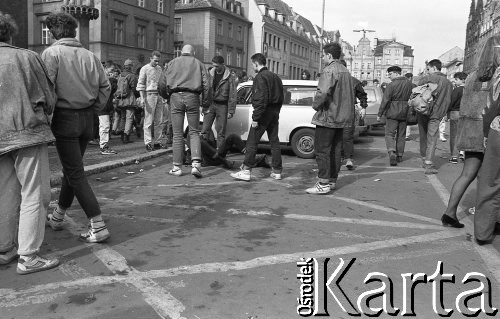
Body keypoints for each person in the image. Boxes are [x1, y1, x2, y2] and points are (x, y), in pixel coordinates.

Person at [42, 12, 111, 243]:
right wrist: (94, 109)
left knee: (75, 172)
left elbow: (47, 90)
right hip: (87, 118)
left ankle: (98, 224)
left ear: (54, 32)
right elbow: (106, 86)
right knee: (72, 171)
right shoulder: (90, 55)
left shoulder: (52, 53)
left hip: (65, 117)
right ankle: (58, 216)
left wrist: (49, 115)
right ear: (73, 31)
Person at [0, 12, 60, 274]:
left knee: (4, 194)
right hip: (26, 133)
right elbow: (48, 98)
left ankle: (5, 249)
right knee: (35, 193)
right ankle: (28, 256)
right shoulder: (26, 57)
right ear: (9, 33)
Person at [441, 35, 500, 228]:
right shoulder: (497, 76)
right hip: (489, 132)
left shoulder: (472, 76)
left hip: (471, 131)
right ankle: (490, 221)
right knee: (490, 179)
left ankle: (449, 213)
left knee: (467, 174)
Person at [306, 42, 354, 194]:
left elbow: (323, 92)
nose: (322, 58)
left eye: (323, 55)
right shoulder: (345, 71)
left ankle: (323, 183)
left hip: (328, 116)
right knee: (335, 150)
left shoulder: (329, 70)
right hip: (342, 117)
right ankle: (332, 181)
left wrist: (315, 105)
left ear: (329, 55)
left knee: (322, 150)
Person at [231, 53, 284, 181]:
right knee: (274, 142)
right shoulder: (276, 77)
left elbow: (260, 99)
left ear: (256, 63)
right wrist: (275, 111)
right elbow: (281, 96)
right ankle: (277, 171)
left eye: (252, 64)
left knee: (252, 142)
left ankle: (246, 170)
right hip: (274, 112)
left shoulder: (260, 77)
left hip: (263, 113)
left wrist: (256, 118)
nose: (252, 66)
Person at [163, 44, 210, 177]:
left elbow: (162, 82)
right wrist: (205, 103)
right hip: (193, 96)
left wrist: (167, 96)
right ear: (193, 53)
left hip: (175, 96)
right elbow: (207, 85)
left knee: (177, 134)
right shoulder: (199, 63)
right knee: (194, 131)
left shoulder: (172, 63)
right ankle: (196, 165)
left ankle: (177, 167)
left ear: (181, 52)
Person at [417, 59, 453, 174]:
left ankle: (423, 158)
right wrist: (443, 113)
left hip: (422, 111)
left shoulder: (425, 79)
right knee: (432, 138)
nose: (428, 71)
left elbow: (416, 94)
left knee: (423, 135)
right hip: (437, 114)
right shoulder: (448, 83)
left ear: (433, 68)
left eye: (428, 69)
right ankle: (428, 163)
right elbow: (448, 101)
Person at [377, 66, 413, 166]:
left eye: (390, 74)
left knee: (389, 134)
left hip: (392, 112)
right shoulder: (410, 84)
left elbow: (385, 100)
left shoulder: (391, 85)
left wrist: (380, 114)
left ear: (396, 73)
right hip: (405, 112)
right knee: (401, 135)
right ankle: (400, 155)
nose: (389, 76)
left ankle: (392, 152)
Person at [202, 56, 237, 158]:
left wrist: (231, 110)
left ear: (222, 64)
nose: (215, 68)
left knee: (221, 131)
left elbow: (233, 94)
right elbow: (205, 90)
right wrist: (203, 105)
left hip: (223, 105)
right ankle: (204, 152)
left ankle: (220, 154)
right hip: (211, 104)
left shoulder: (229, 76)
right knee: (205, 129)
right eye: (213, 66)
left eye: (217, 66)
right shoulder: (210, 74)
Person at [339, 59, 367, 170]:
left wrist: (363, 107)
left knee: (344, 136)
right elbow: (363, 95)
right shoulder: (354, 81)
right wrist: (363, 107)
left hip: (344, 111)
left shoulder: (351, 81)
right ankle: (346, 158)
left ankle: (346, 158)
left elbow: (362, 96)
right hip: (347, 111)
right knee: (346, 136)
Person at [137, 50, 164, 151]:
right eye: (155, 61)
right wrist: (142, 98)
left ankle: (158, 141)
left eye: (158, 61)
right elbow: (140, 84)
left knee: (159, 120)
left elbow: (161, 82)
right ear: (151, 58)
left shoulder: (159, 68)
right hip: (149, 95)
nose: (157, 63)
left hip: (159, 95)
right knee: (148, 121)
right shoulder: (144, 68)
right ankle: (148, 142)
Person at [114, 59, 138, 144]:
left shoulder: (120, 75)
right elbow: (134, 88)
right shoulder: (132, 76)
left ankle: (121, 134)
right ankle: (126, 136)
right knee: (129, 118)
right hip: (129, 99)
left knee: (123, 117)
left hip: (121, 99)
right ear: (131, 66)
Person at [98, 66, 119, 155]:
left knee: (105, 126)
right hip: (103, 106)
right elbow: (112, 89)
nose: (113, 72)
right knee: (105, 126)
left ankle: (104, 145)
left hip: (104, 105)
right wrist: (112, 79)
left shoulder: (102, 79)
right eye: (111, 70)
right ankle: (103, 147)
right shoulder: (107, 80)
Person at [448, 72, 467, 164]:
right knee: (462, 135)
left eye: (456, 79)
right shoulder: (469, 89)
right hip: (466, 114)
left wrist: (447, 111)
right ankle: (462, 154)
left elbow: (451, 102)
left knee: (454, 135)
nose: (454, 81)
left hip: (455, 113)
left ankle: (454, 156)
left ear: (462, 80)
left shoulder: (457, 90)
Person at [404, 73, 417, 140]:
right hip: (411, 104)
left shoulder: (402, 85)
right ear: (410, 78)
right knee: (408, 121)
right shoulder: (414, 86)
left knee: (402, 120)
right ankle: (406, 135)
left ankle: (400, 133)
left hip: (402, 104)